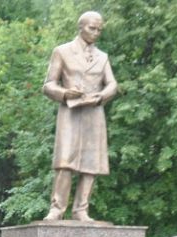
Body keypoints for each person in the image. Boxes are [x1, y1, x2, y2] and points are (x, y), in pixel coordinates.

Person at [42, 11, 118, 222]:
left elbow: (112, 84)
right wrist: (65, 93)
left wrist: (102, 96)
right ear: (81, 27)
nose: (96, 33)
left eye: (99, 29)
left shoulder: (103, 57)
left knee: (91, 163)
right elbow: (48, 85)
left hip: (94, 113)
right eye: (92, 28)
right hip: (71, 111)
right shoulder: (62, 51)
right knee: (65, 161)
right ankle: (57, 208)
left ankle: (81, 210)